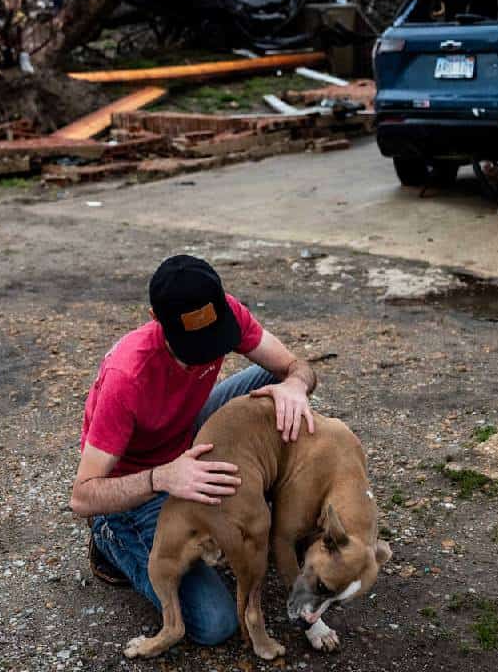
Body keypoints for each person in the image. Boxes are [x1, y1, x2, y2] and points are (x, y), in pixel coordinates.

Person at [70, 254, 317, 645]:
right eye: (190, 348)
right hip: (138, 487)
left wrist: (297, 385)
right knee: (214, 623)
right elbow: (82, 496)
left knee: (277, 381)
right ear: (155, 317)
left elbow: (296, 365)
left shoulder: (225, 313)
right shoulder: (127, 378)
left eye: (212, 342)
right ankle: (108, 542)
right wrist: (161, 476)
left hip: (188, 433)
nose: (201, 358)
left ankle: (275, 504)